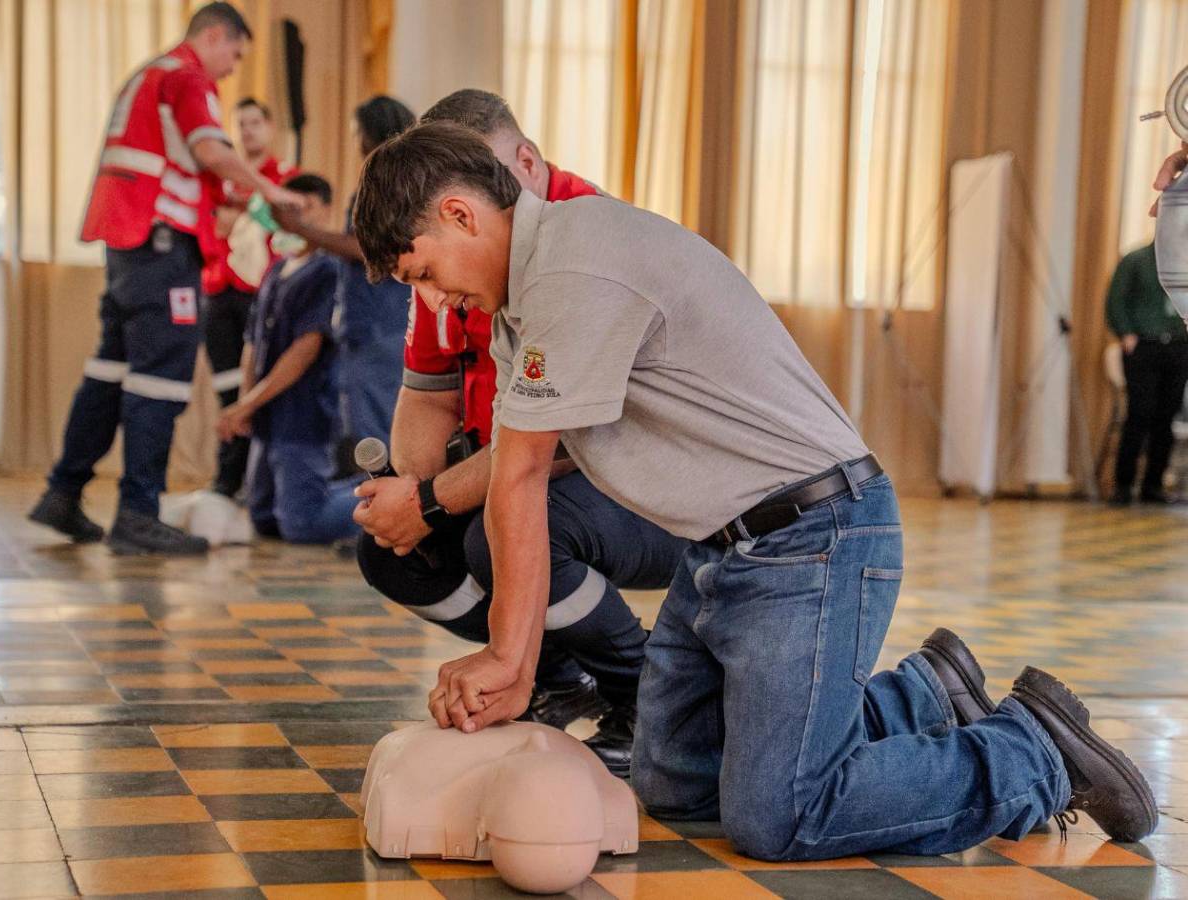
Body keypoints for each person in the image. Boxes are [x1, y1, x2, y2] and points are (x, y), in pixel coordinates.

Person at [351, 122, 1157, 860]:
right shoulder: (528, 296)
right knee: (673, 782)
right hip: (725, 552)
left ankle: (1030, 753)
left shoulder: (572, 267)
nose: (430, 299)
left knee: (782, 816)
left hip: (816, 536)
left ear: (460, 214)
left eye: (422, 272)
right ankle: (922, 698)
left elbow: (519, 476)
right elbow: (519, 460)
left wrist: (509, 662)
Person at [351, 90, 688, 776]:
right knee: (396, 551)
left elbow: (559, 448)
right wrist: (415, 499)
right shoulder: (453, 262)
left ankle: (648, 691)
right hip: (513, 467)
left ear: (524, 165)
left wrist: (434, 499)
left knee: (499, 532)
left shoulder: (582, 247)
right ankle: (557, 676)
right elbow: (427, 396)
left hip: (643, 494)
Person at [29, 2, 300, 555]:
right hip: (160, 246)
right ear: (215, 35)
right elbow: (208, 149)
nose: (231, 68)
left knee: (110, 370)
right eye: (234, 54)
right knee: (161, 378)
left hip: (127, 242)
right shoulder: (188, 76)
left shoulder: (148, 75)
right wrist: (270, 191)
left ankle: (64, 490)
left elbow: (182, 162)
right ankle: (137, 512)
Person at [273, 96, 415, 475]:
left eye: (357, 134)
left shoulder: (388, 183)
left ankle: (386, 528)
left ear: (371, 133)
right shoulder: (385, 181)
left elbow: (369, 250)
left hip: (381, 330)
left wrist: (301, 229)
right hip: (369, 328)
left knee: (378, 434)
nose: (357, 143)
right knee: (362, 432)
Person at [216, 174, 358, 544]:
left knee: (302, 525)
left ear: (327, 210)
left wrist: (248, 403)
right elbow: (253, 342)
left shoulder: (327, 270)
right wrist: (246, 405)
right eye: (289, 209)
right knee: (263, 518)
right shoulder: (278, 270)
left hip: (303, 419)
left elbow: (305, 350)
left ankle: (383, 500)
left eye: (306, 208)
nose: (295, 219)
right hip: (268, 421)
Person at [201, 96, 298, 499]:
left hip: (262, 295)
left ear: (271, 128)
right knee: (227, 388)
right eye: (241, 124)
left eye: (256, 122)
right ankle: (228, 477)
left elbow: (293, 231)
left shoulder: (287, 178)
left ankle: (259, 481)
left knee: (258, 389)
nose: (248, 130)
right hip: (218, 291)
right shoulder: (220, 181)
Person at [1106, 242, 1188, 504]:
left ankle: (1153, 485)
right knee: (1140, 414)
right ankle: (1123, 484)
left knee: (1166, 418)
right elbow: (1116, 300)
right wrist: (1126, 332)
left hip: (1177, 346)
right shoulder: (1136, 260)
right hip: (1144, 346)